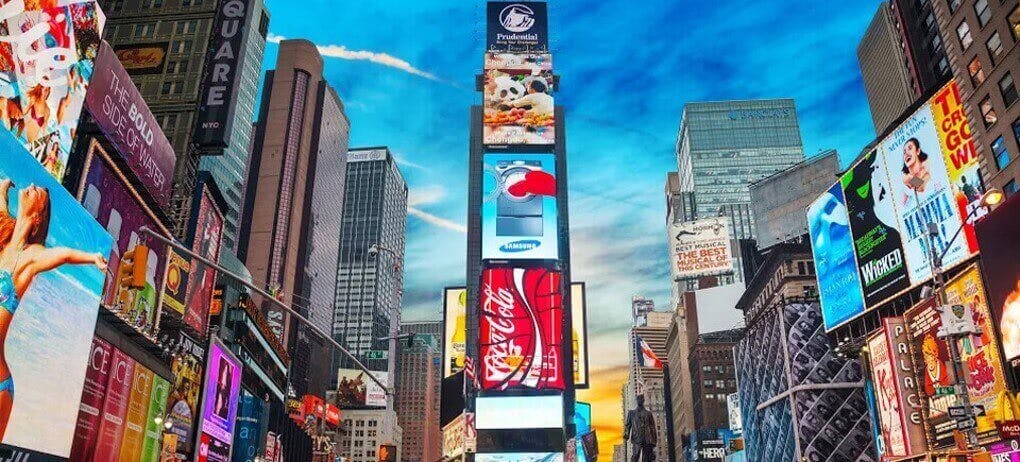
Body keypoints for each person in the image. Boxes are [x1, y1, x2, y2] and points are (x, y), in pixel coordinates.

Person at [0, 179, 107, 439]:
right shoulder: (3, 240)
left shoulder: (33, 256)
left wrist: (92, 258)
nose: (34, 186)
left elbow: (64, 254)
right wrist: (3, 188)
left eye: (42, 195)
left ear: (38, 217)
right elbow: (1, 207)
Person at [624, 394, 657, 462]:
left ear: (643, 401)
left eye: (641, 399)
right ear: (637, 401)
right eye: (638, 399)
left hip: (647, 439)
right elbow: (628, 425)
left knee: (647, 459)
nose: (640, 401)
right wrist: (626, 435)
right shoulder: (631, 413)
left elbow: (652, 428)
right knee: (635, 456)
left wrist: (654, 441)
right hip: (637, 438)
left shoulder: (648, 413)